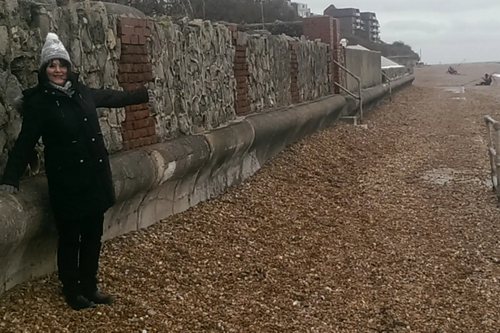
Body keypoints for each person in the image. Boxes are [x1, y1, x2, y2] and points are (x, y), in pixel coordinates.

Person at [0, 33, 152, 310]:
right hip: (67, 181)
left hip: (94, 177)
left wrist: (141, 94)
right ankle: (72, 291)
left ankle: (90, 286)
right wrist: (10, 178)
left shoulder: (82, 92)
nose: (58, 70)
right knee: (71, 238)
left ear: (69, 67)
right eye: (52, 65)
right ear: (44, 70)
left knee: (93, 234)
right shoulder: (40, 104)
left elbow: (110, 97)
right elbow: (25, 142)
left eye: (62, 64)